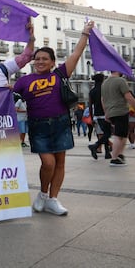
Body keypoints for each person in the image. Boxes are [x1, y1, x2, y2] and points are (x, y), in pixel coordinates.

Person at [13, 20, 95, 216]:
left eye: (44, 59)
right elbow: (7, 99)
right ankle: (42, 194)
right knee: (48, 163)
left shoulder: (60, 74)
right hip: (38, 126)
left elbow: (76, 53)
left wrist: (85, 33)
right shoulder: (24, 81)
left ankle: (53, 199)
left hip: (61, 123)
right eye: (37, 59)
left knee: (60, 163)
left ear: (52, 62)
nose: (40, 62)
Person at [101, 71, 135, 166]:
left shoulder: (105, 83)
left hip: (111, 111)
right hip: (121, 111)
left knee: (124, 134)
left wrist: (106, 113)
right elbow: (128, 97)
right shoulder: (121, 81)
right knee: (119, 135)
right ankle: (114, 159)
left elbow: (102, 100)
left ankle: (120, 155)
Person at [87, 73, 112, 160]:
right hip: (105, 114)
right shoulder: (105, 90)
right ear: (102, 80)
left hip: (96, 116)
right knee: (107, 133)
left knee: (104, 133)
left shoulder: (92, 91)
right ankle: (95, 146)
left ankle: (107, 153)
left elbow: (90, 105)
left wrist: (91, 117)